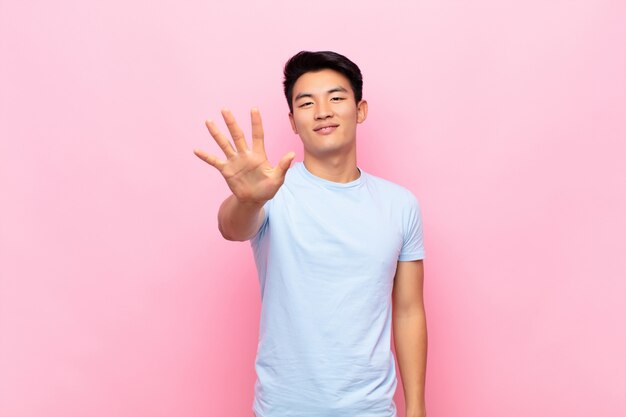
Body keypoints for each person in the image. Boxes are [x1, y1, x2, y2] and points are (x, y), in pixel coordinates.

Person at [194, 51, 427, 417]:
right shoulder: (272, 191)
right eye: (307, 103)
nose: (323, 111)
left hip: (370, 409)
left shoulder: (400, 204)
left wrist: (417, 408)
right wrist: (248, 199)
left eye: (336, 98)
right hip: (283, 408)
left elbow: (410, 311)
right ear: (292, 120)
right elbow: (231, 227)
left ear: (360, 109)